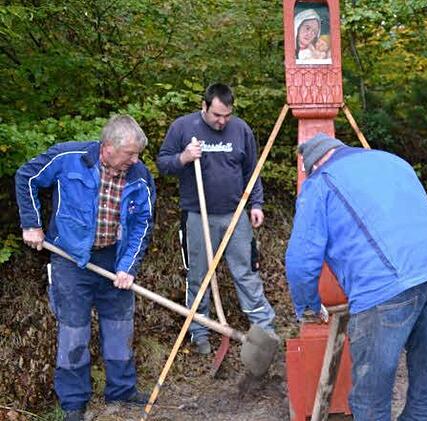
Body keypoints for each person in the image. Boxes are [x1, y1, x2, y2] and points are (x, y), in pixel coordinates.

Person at [285, 133, 427, 420]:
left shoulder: (320, 182)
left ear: (312, 166)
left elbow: (301, 260)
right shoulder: (393, 161)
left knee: (371, 399)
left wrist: (308, 308)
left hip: (384, 284)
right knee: (426, 386)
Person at [15, 115, 156, 421]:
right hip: (69, 258)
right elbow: (26, 176)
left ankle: (121, 388)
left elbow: (142, 224)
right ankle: (73, 402)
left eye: (137, 154)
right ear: (107, 147)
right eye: (130, 153)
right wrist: (31, 224)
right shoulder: (69, 158)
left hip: (113, 259)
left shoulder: (139, 175)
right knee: (74, 331)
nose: (135, 160)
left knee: (120, 325)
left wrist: (128, 267)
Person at [156, 83, 276, 355]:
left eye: (227, 115)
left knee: (246, 271)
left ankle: (264, 330)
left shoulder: (241, 130)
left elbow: (252, 170)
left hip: (235, 214)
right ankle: (199, 333)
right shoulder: (183, 128)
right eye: (216, 115)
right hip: (197, 214)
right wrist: (184, 157)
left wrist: (256, 203)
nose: (222, 121)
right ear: (204, 107)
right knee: (199, 275)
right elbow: (163, 164)